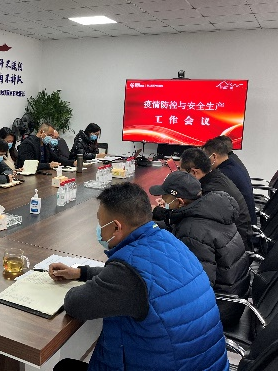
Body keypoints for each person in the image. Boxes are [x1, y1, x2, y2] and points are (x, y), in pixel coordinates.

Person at [49, 183, 228, 371]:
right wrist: (81, 273)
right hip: (207, 365)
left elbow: (75, 304)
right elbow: (143, 278)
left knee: (64, 367)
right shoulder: (169, 241)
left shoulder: (127, 273)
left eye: (101, 224)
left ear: (116, 227)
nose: (99, 230)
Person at [149, 171, 250, 327]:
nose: (161, 201)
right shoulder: (210, 212)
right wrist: (148, 225)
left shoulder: (193, 231)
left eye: (165, 198)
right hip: (234, 295)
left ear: (180, 201)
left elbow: (197, 287)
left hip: (220, 307)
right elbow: (177, 227)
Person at [180, 147, 253, 250]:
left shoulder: (211, 192)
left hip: (235, 246)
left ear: (194, 172)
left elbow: (192, 217)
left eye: (182, 173)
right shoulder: (215, 177)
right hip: (236, 239)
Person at [204, 138, 257, 228]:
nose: (204, 161)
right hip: (246, 220)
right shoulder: (232, 164)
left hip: (241, 227)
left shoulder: (224, 175)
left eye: (205, 157)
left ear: (214, 157)